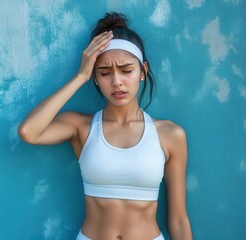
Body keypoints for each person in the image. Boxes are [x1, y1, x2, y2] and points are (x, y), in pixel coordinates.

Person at [18, 12, 192, 240]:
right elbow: (28, 132)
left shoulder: (170, 135)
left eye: (126, 70)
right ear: (96, 77)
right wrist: (81, 76)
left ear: (143, 72)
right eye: (105, 73)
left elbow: (178, 219)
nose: (117, 81)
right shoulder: (81, 127)